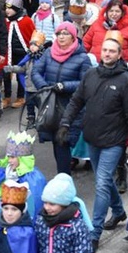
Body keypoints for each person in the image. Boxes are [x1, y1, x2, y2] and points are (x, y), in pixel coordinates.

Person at [56, 32, 128, 251]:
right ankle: (119, 211)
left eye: (112, 51)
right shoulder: (91, 75)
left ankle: (94, 232)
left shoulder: (125, 81)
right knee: (104, 180)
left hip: (114, 141)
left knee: (102, 181)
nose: (107, 54)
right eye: (105, 50)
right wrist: (65, 123)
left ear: (120, 54)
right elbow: (76, 101)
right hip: (92, 137)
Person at [31, 22, 91, 174]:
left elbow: (85, 83)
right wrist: (44, 87)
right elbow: (36, 71)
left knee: (62, 141)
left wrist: (65, 86)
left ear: (73, 37)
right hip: (50, 104)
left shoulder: (83, 58)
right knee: (56, 143)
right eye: (59, 34)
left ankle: (64, 180)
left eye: (65, 34)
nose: (61, 37)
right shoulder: (49, 52)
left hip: (70, 107)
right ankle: (63, 177)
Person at [84, 0, 128, 74]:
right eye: (111, 11)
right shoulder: (97, 24)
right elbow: (85, 44)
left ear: (122, 13)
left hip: (121, 70)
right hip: (97, 68)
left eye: (117, 11)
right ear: (107, 12)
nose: (114, 14)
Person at [0, 0, 35, 109]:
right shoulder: (4, 21)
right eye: (6, 8)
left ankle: (21, 97)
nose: (7, 11)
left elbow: (32, 36)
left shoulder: (26, 21)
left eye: (10, 8)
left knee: (21, 74)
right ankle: (7, 97)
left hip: (22, 54)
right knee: (6, 74)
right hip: (8, 53)